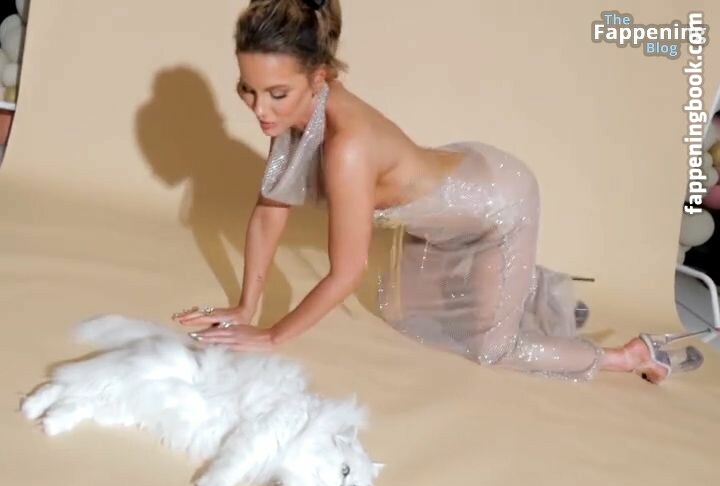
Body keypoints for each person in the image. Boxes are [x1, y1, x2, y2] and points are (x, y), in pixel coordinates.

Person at [172, 0, 707, 383]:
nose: (260, 109)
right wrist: (246, 305)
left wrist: (271, 337)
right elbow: (272, 207)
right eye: (247, 90)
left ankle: (630, 355)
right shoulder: (292, 110)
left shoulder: (348, 147)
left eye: (276, 93)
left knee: (492, 349)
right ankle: (528, 292)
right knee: (409, 315)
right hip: (443, 202)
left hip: (497, 206)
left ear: (320, 77)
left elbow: (347, 271)